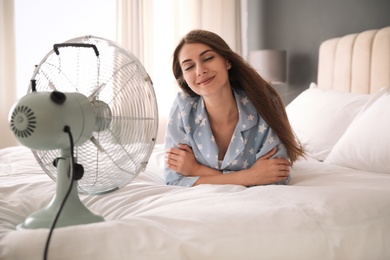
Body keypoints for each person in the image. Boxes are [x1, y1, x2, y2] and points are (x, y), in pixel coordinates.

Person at [164, 29, 304, 187]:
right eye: (189, 67)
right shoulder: (182, 108)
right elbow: (174, 179)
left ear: (227, 61)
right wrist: (249, 176)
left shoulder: (264, 103)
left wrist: (196, 170)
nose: (200, 70)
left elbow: (277, 177)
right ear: (183, 78)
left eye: (208, 58)